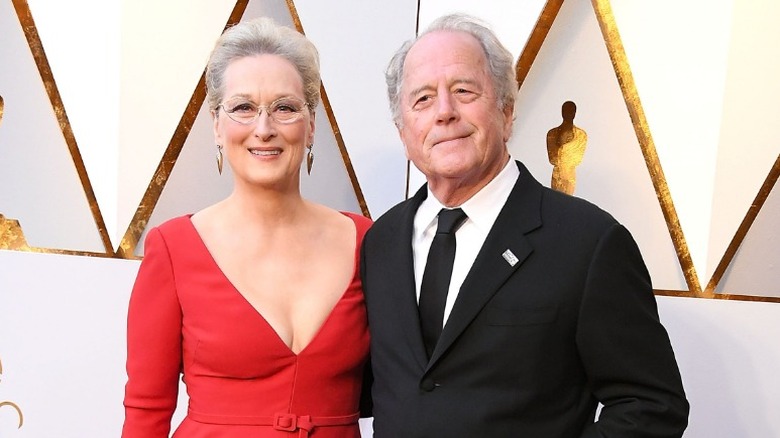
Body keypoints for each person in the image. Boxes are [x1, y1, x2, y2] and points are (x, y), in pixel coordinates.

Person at [360, 13, 689, 437]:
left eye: (464, 90)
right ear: (403, 131)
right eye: (422, 99)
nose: (444, 112)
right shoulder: (380, 242)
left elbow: (651, 406)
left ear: (507, 111)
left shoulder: (588, 243)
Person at [122, 17, 371, 437]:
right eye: (243, 108)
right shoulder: (174, 247)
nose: (264, 128)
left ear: (311, 125)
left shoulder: (365, 241)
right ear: (217, 126)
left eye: (285, 108)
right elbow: (146, 410)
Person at [547, 100, 587, 195]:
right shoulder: (552, 134)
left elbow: (577, 159)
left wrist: (563, 154)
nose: (569, 113)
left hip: (569, 176)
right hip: (557, 176)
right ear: (562, 112)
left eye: (571, 111)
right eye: (566, 111)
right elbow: (552, 159)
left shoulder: (581, 135)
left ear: (575, 113)